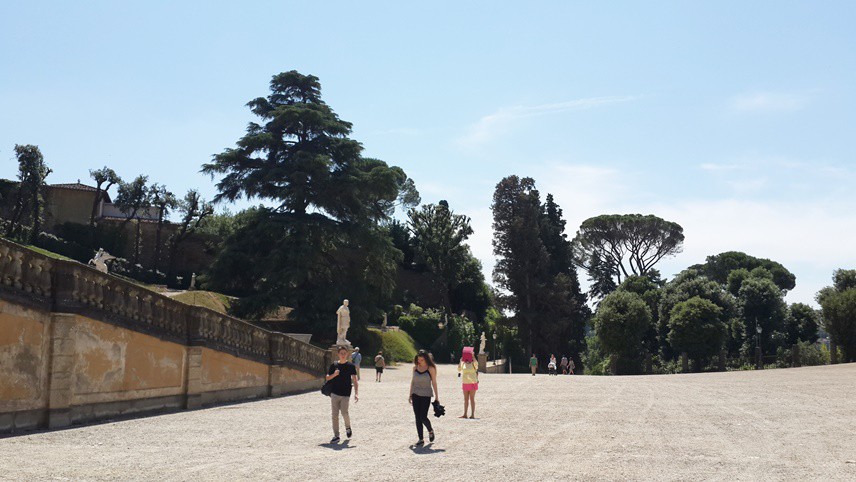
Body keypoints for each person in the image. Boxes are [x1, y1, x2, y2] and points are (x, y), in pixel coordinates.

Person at [325, 346, 358, 444]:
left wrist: (356, 393)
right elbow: (327, 378)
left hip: (345, 394)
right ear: (338, 354)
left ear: (347, 354)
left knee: (344, 412)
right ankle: (336, 436)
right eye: (341, 353)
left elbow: (355, 380)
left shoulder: (351, 366)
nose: (343, 355)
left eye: (344, 353)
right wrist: (334, 375)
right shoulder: (334, 365)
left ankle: (348, 427)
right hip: (334, 393)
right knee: (334, 415)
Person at [409, 350, 439, 446]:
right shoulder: (415, 368)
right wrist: (410, 394)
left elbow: (434, 382)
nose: (420, 361)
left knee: (423, 416)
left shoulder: (431, 368)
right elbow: (412, 382)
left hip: (426, 394)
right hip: (415, 394)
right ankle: (421, 439)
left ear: (426, 359)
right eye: (418, 360)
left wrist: (437, 397)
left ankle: (430, 430)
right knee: (417, 417)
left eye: (422, 360)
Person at [457, 347, 479, 419]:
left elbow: (477, 365)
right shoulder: (463, 363)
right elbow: (459, 369)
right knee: (465, 399)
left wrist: (473, 356)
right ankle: (465, 414)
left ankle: (472, 414)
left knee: (472, 398)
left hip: (472, 382)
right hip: (465, 382)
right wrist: (460, 361)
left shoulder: (473, 362)